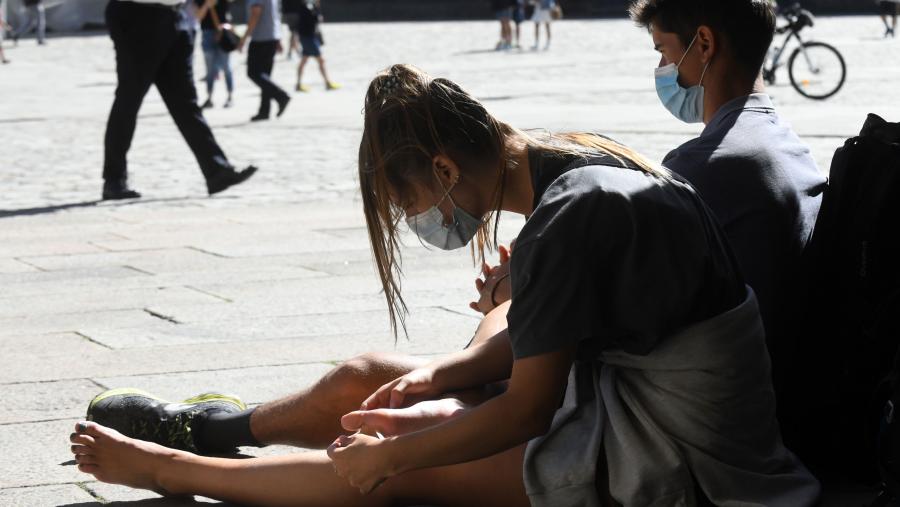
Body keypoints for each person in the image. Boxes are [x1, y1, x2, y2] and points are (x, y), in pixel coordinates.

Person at [71, 64, 819, 506]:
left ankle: (171, 466)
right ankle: (208, 430)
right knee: (373, 384)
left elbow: (526, 410)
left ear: (444, 171)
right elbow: (542, 345)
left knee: (381, 474)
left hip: (681, 455)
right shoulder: (572, 168)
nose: (422, 221)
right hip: (623, 394)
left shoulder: (574, 211)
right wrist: (434, 378)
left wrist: (397, 454)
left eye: (412, 205)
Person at [629, 0, 827, 467]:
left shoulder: (705, 165)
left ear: (703, 44)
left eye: (662, 51)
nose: (660, 68)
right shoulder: (783, 141)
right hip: (792, 395)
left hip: (723, 431)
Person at [101, 0, 258, 200]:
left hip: (175, 16)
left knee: (185, 102)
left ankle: (217, 171)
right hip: (137, 15)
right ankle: (114, 180)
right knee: (129, 98)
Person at [238, 0, 291, 122]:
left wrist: (244, 38)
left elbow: (256, 13)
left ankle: (281, 96)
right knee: (265, 77)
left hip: (260, 38)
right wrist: (278, 37)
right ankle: (264, 110)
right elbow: (275, 16)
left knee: (253, 73)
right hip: (271, 37)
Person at [194, 0, 235, 109]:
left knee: (226, 67)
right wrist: (207, 5)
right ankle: (209, 97)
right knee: (210, 69)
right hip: (207, 33)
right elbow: (198, 16)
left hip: (223, 33)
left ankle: (230, 96)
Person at [294, 0, 339, 92]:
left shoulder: (308, 6)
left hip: (308, 36)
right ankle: (327, 83)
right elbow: (315, 19)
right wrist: (317, 9)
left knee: (304, 60)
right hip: (308, 37)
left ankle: (298, 84)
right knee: (320, 60)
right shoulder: (307, 6)